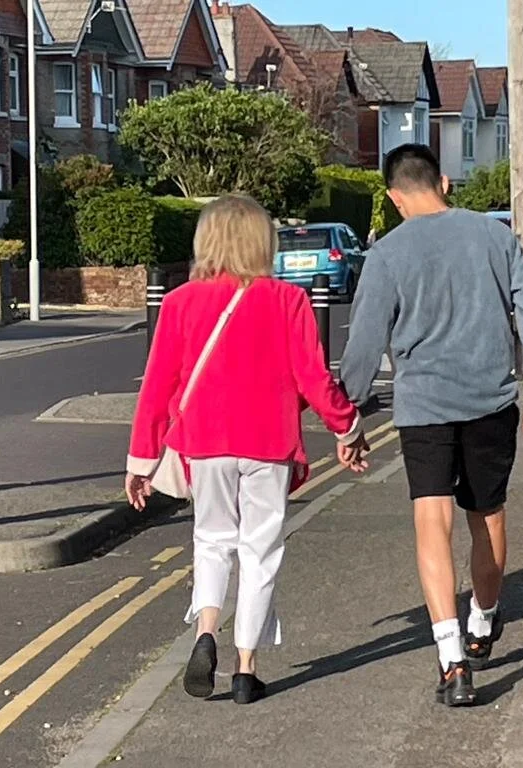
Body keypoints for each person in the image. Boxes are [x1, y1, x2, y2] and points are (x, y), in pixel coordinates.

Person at [338, 144, 523, 707]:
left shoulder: (387, 254)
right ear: (443, 181)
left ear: (393, 197)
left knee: (431, 522)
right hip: (491, 400)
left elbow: (364, 342)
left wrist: (348, 416)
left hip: (424, 408)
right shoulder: (492, 237)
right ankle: (482, 623)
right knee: (487, 517)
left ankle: (450, 660)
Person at [125, 194, 367, 705]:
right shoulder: (289, 301)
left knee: (212, 540)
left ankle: (205, 632)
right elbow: (315, 379)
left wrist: (141, 461)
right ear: (263, 241)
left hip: (206, 444)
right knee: (261, 551)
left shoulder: (179, 302)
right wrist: (346, 429)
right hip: (269, 444)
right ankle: (245, 668)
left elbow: (157, 387)